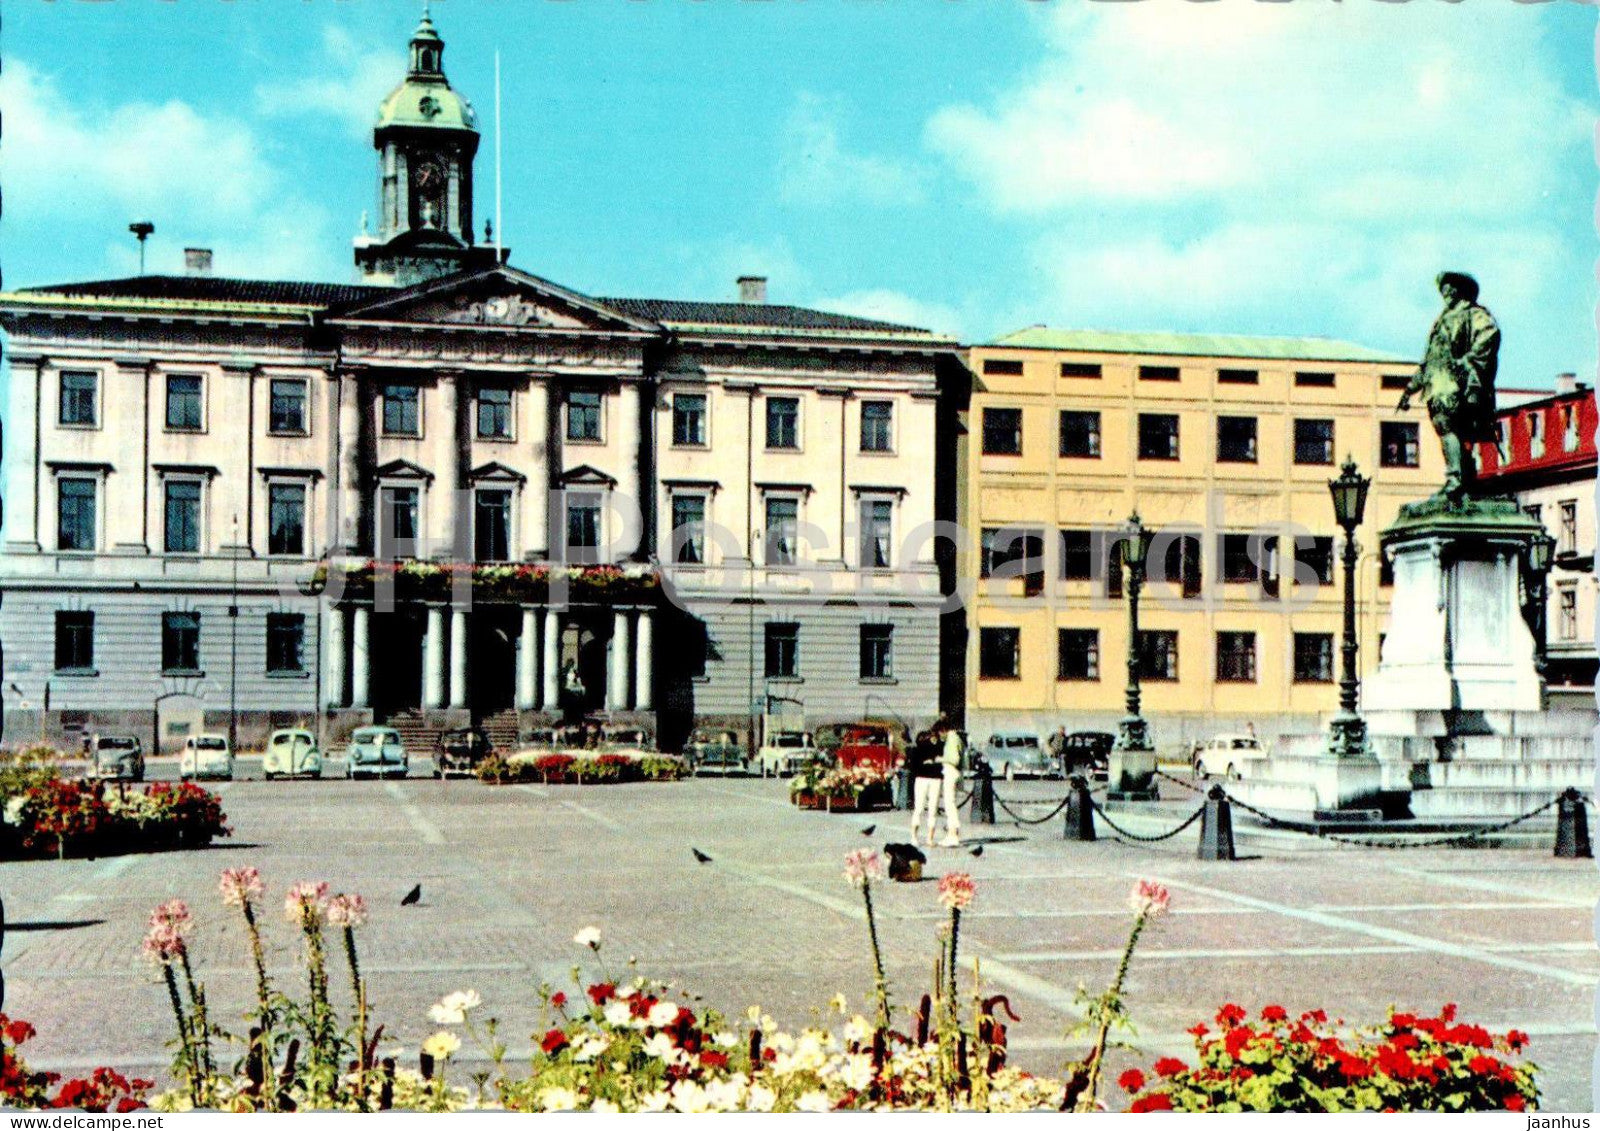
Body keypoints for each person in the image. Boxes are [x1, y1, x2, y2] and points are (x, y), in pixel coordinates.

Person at [1398, 271, 1501, 507]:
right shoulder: (1442, 321)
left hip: (1459, 383)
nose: (1445, 293)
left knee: (1449, 426)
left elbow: (1489, 335)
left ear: (1459, 291)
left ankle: (1457, 478)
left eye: (1449, 289)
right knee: (1446, 428)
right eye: (1443, 290)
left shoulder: (1474, 314)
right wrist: (1410, 389)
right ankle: (1462, 477)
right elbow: (1429, 361)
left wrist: (1466, 361)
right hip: (1438, 383)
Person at [908, 730, 944, 847]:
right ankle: (917, 837)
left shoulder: (938, 748)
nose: (933, 740)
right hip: (927, 779)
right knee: (921, 808)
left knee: (929, 809)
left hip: (929, 779)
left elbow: (914, 768)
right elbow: (915, 767)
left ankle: (926, 838)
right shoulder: (921, 750)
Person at [936, 727, 966, 848]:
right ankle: (951, 834)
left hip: (951, 772)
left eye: (939, 733)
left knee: (950, 804)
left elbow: (954, 759)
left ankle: (953, 834)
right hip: (955, 773)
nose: (940, 737)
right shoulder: (957, 738)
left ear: (943, 730)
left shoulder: (952, 739)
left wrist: (940, 759)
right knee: (950, 804)